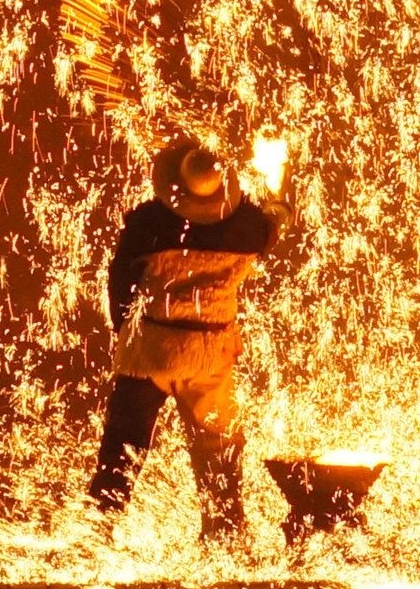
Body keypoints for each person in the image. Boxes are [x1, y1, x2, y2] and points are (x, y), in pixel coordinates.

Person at [89, 135, 284, 542]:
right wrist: (277, 177)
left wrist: (125, 330)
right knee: (217, 448)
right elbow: (274, 218)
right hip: (211, 353)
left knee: (125, 440)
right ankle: (225, 535)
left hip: (150, 350)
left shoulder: (148, 224)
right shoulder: (247, 227)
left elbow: (119, 282)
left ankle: (99, 527)